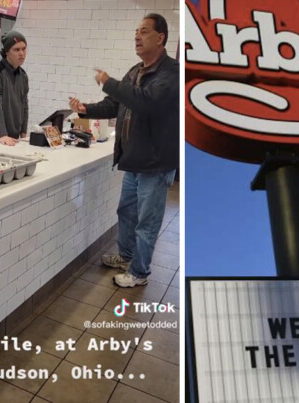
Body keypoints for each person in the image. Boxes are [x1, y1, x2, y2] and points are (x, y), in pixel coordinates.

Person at [68, 13, 178, 288]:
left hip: (155, 163)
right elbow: (116, 104)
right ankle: (126, 256)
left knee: (146, 222)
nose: (137, 37)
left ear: (160, 37)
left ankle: (140, 273)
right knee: (126, 213)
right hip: (133, 159)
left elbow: (145, 103)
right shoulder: (135, 70)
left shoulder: (171, 73)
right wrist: (86, 109)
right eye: (135, 33)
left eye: (143, 32)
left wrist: (110, 82)